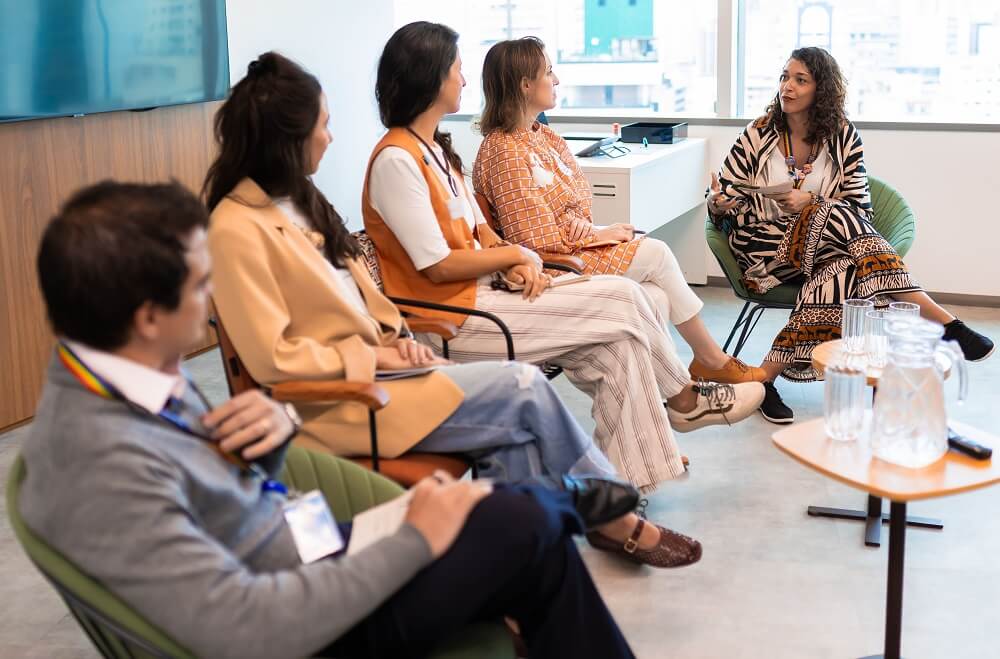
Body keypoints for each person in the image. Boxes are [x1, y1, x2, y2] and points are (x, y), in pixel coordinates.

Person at [21, 179, 640, 659]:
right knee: (516, 523)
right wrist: (413, 540)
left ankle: (555, 503)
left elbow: (209, 494)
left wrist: (264, 445)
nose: (210, 300)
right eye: (199, 284)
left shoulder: (130, 373)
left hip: (306, 548)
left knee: (533, 548)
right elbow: (250, 630)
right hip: (306, 623)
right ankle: (562, 498)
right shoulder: (99, 462)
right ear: (149, 316)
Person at [204, 52, 701, 567]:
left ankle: (534, 553)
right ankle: (612, 508)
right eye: (323, 125)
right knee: (528, 386)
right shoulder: (236, 228)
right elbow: (271, 359)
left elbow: (367, 300)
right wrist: (378, 357)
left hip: (400, 363)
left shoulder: (302, 201)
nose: (330, 138)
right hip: (348, 400)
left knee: (561, 392)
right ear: (287, 136)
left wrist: (398, 341)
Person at [364, 22, 765, 494]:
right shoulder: (396, 161)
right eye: (456, 70)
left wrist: (511, 261)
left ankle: (620, 491)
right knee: (625, 297)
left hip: (490, 295)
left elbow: (481, 234)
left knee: (617, 348)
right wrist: (517, 255)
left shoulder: (437, 154)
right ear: (430, 78)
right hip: (454, 320)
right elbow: (437, 266)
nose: (465, 80)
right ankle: (685, 398)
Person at [706, 46, 994, 423]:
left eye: (800, 80)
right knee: (830, 212)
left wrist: (811, 202)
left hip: (824, 250)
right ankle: (942, 322)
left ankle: (763, 380)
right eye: (784, 77)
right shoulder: (759, 132)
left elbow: (860, 211)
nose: (787, 87)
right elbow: (723, 196)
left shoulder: (843, 135)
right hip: (764, 248)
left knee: (843, 266)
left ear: (821, 89)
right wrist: (718, 203)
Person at [473, 36, 763, 387]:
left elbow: (577, 204)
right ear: (525, 85)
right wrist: (598, 234)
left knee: (655, 297)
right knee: (656, 254)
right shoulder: (504, 150)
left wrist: (590, 228)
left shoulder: (545, 137)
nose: (557, 80)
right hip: (551, 266)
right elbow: (533, 240)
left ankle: (662, 394)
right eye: (548, 72)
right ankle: (708, 363)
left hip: (570, 248)